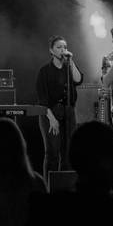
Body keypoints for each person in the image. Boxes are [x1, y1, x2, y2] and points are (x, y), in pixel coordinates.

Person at [36, 35, 83, 176]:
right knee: (53, 153)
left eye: (65, 47)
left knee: (68, 152)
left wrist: (71, 60)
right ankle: (49, 185)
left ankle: (65, 185)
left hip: (69, 112)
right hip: (50, 113)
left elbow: (78, 79)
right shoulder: (44, 71)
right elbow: (42, 100)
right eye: (59, 47)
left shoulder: (69, 67)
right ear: (51, 50)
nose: (63, 50)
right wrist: (52, 119)